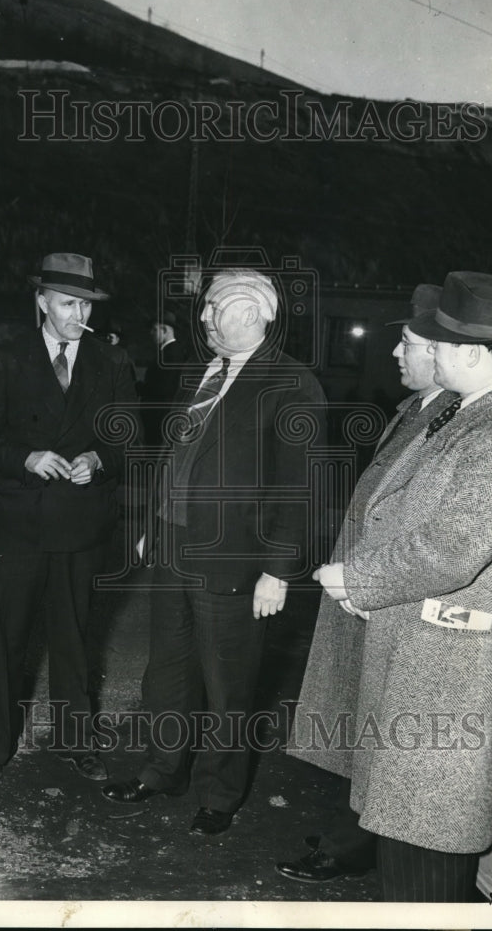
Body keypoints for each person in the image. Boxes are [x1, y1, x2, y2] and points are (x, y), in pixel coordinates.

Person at [102, 268, 326, 835]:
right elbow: (178, 454)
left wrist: (277, 572)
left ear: (250, 313)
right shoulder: (204, 373)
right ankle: (161, 771)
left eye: (212, 308)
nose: (201, 317)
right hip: (174, 545)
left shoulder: (293, 384)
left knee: (228, 685)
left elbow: (295, 488)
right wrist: (156, 521)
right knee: (167, 675)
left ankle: (219, 795)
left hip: (234, 560)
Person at [303, 271, 492, 902]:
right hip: (422, 656)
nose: (424, 356)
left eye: (434, 344)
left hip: (450, 669)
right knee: (410, 849)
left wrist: (356, 579)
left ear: (471, 352)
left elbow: (450, 548)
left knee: (427, 861)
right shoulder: (466, 415)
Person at [278, 283, 457, 883]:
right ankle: (362, 837)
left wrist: (363, 579)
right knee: (362, 728)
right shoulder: (420, 408)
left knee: (383, 739)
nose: (396, 355)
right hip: (365, 591)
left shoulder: (453, 418)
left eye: (409, 344)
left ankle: (362, 847)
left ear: (443, 352)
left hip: (387, 595)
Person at [0, 253, 137, 784]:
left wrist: (98, 460)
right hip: (17, 524)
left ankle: (76, 741)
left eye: (84, 304)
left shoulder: (111, 362)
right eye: (66, 303)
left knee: (73, 638)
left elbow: (129, 435)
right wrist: (27, 458)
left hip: (81, 525)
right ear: (41, 301)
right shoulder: (8, 355)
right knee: (9, 637)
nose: (76, 314)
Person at [139, 310, 188, 445]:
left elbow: (163, 389)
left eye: (155, 330)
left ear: (165, 330)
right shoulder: (172, 352)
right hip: (162, 416)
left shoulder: (170, 355)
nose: (151, 333)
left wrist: (140, 388)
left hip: (159, 417)